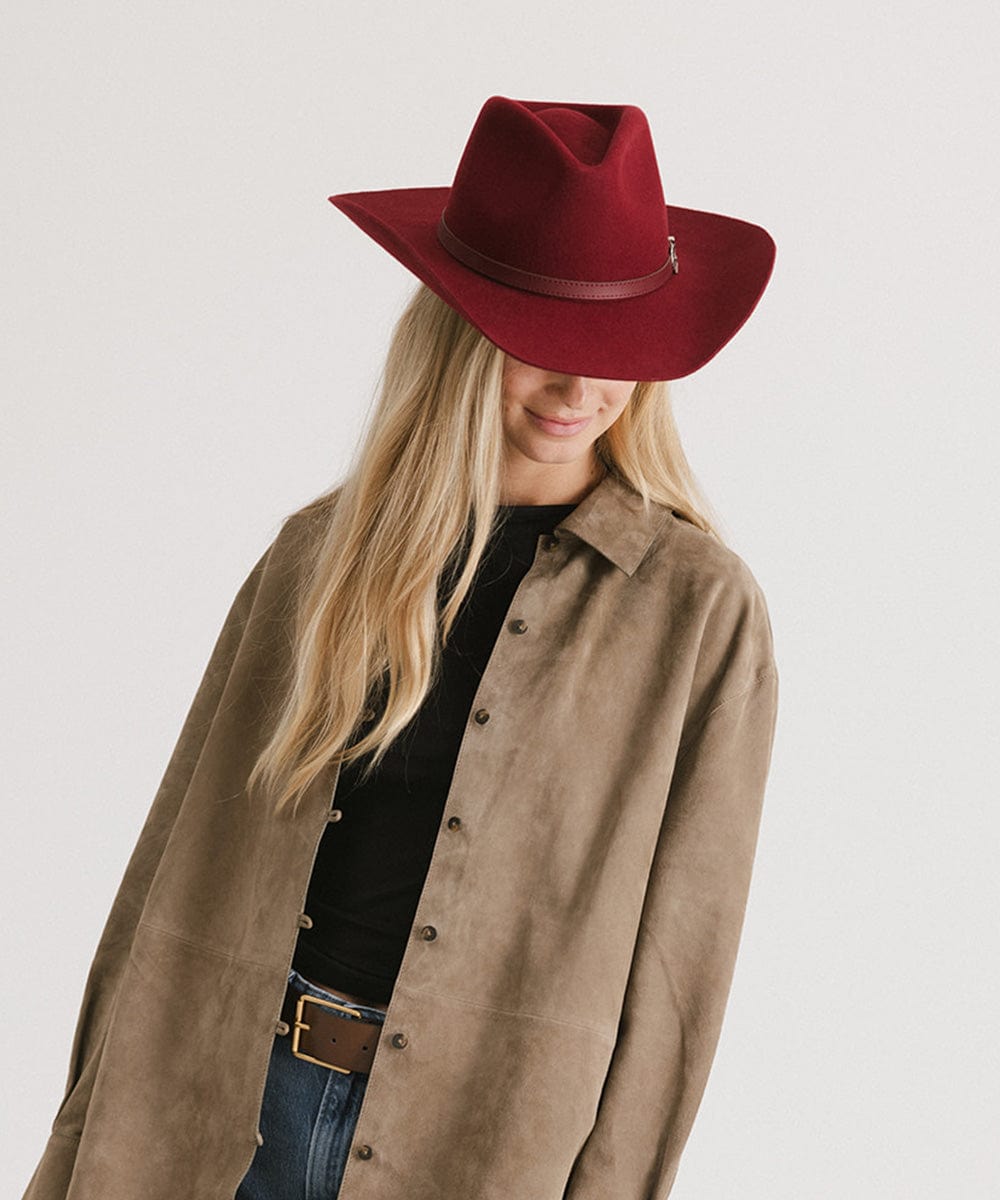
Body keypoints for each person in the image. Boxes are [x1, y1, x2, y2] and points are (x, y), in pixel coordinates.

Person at [22, 95, 780, 1200]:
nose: (580, 391)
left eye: (613, 349)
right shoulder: (321, 555)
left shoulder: (695, 612)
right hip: (222, 1103)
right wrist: (87, 1122)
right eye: (540, 345)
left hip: (484, 1137)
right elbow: (178, 854)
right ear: (459, 335)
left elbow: (679, 976)